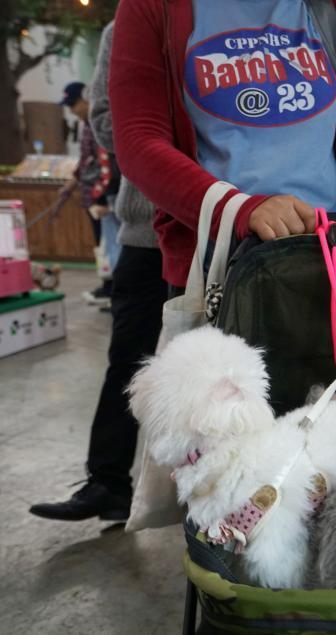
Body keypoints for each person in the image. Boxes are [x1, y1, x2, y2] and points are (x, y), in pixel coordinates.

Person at [108, 0, 336, 299]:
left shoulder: (329, 6)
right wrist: (240, 210)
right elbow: (139, 139)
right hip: (221, 267)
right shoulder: (155, 8)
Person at [29, 22, 167, 523]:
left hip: (243, 227)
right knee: (128, 358)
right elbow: (107, 121)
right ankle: (108, 481)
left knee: (244, 368)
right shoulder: (127, 26)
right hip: (150, 228)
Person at [59, 82, 119, 307]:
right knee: (103, 247)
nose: (72, 110)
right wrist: (72, 184)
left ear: (87, 100)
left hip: (105, 197)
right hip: (93, 197)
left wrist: (102, 198)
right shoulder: (86, 125)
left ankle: (114, 290)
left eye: (74, 104)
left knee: (112, 246)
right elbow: (87, 162)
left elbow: (107, 163)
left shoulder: (99, 125)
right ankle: (109, 288)